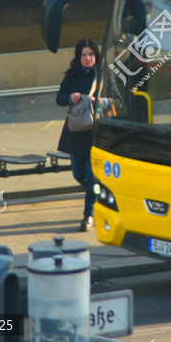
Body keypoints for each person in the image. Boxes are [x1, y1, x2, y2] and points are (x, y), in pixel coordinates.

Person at [56, 39, 102, 231]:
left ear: (96, 56)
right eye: (84, 55)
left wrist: (99, 101)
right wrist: (70, 97)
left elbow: (118, 100)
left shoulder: (103, 76)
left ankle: (88, 215)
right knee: (78, 174)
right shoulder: (72, 76)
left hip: (96, 133)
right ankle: (100, 196)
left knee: (92, 177)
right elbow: (59, 98)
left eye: (91, 54)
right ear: (78, 57)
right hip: (76, 133)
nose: (87, 58)